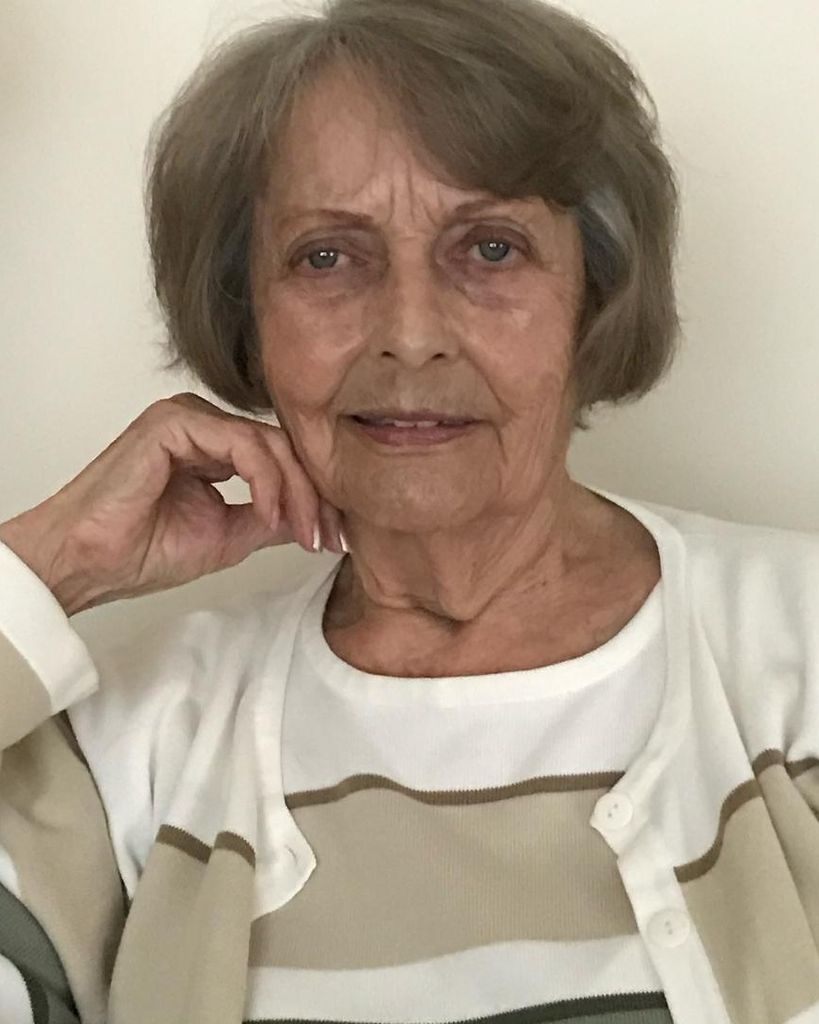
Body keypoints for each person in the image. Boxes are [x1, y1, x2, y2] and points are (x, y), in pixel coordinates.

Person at [0, 0, 818, 1021]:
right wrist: (50, 562)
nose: (412, 333)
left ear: (594, 297)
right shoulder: (139, 752)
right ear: (249, 316)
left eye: (491, 249)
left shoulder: (797, 654)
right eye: (327, 257)